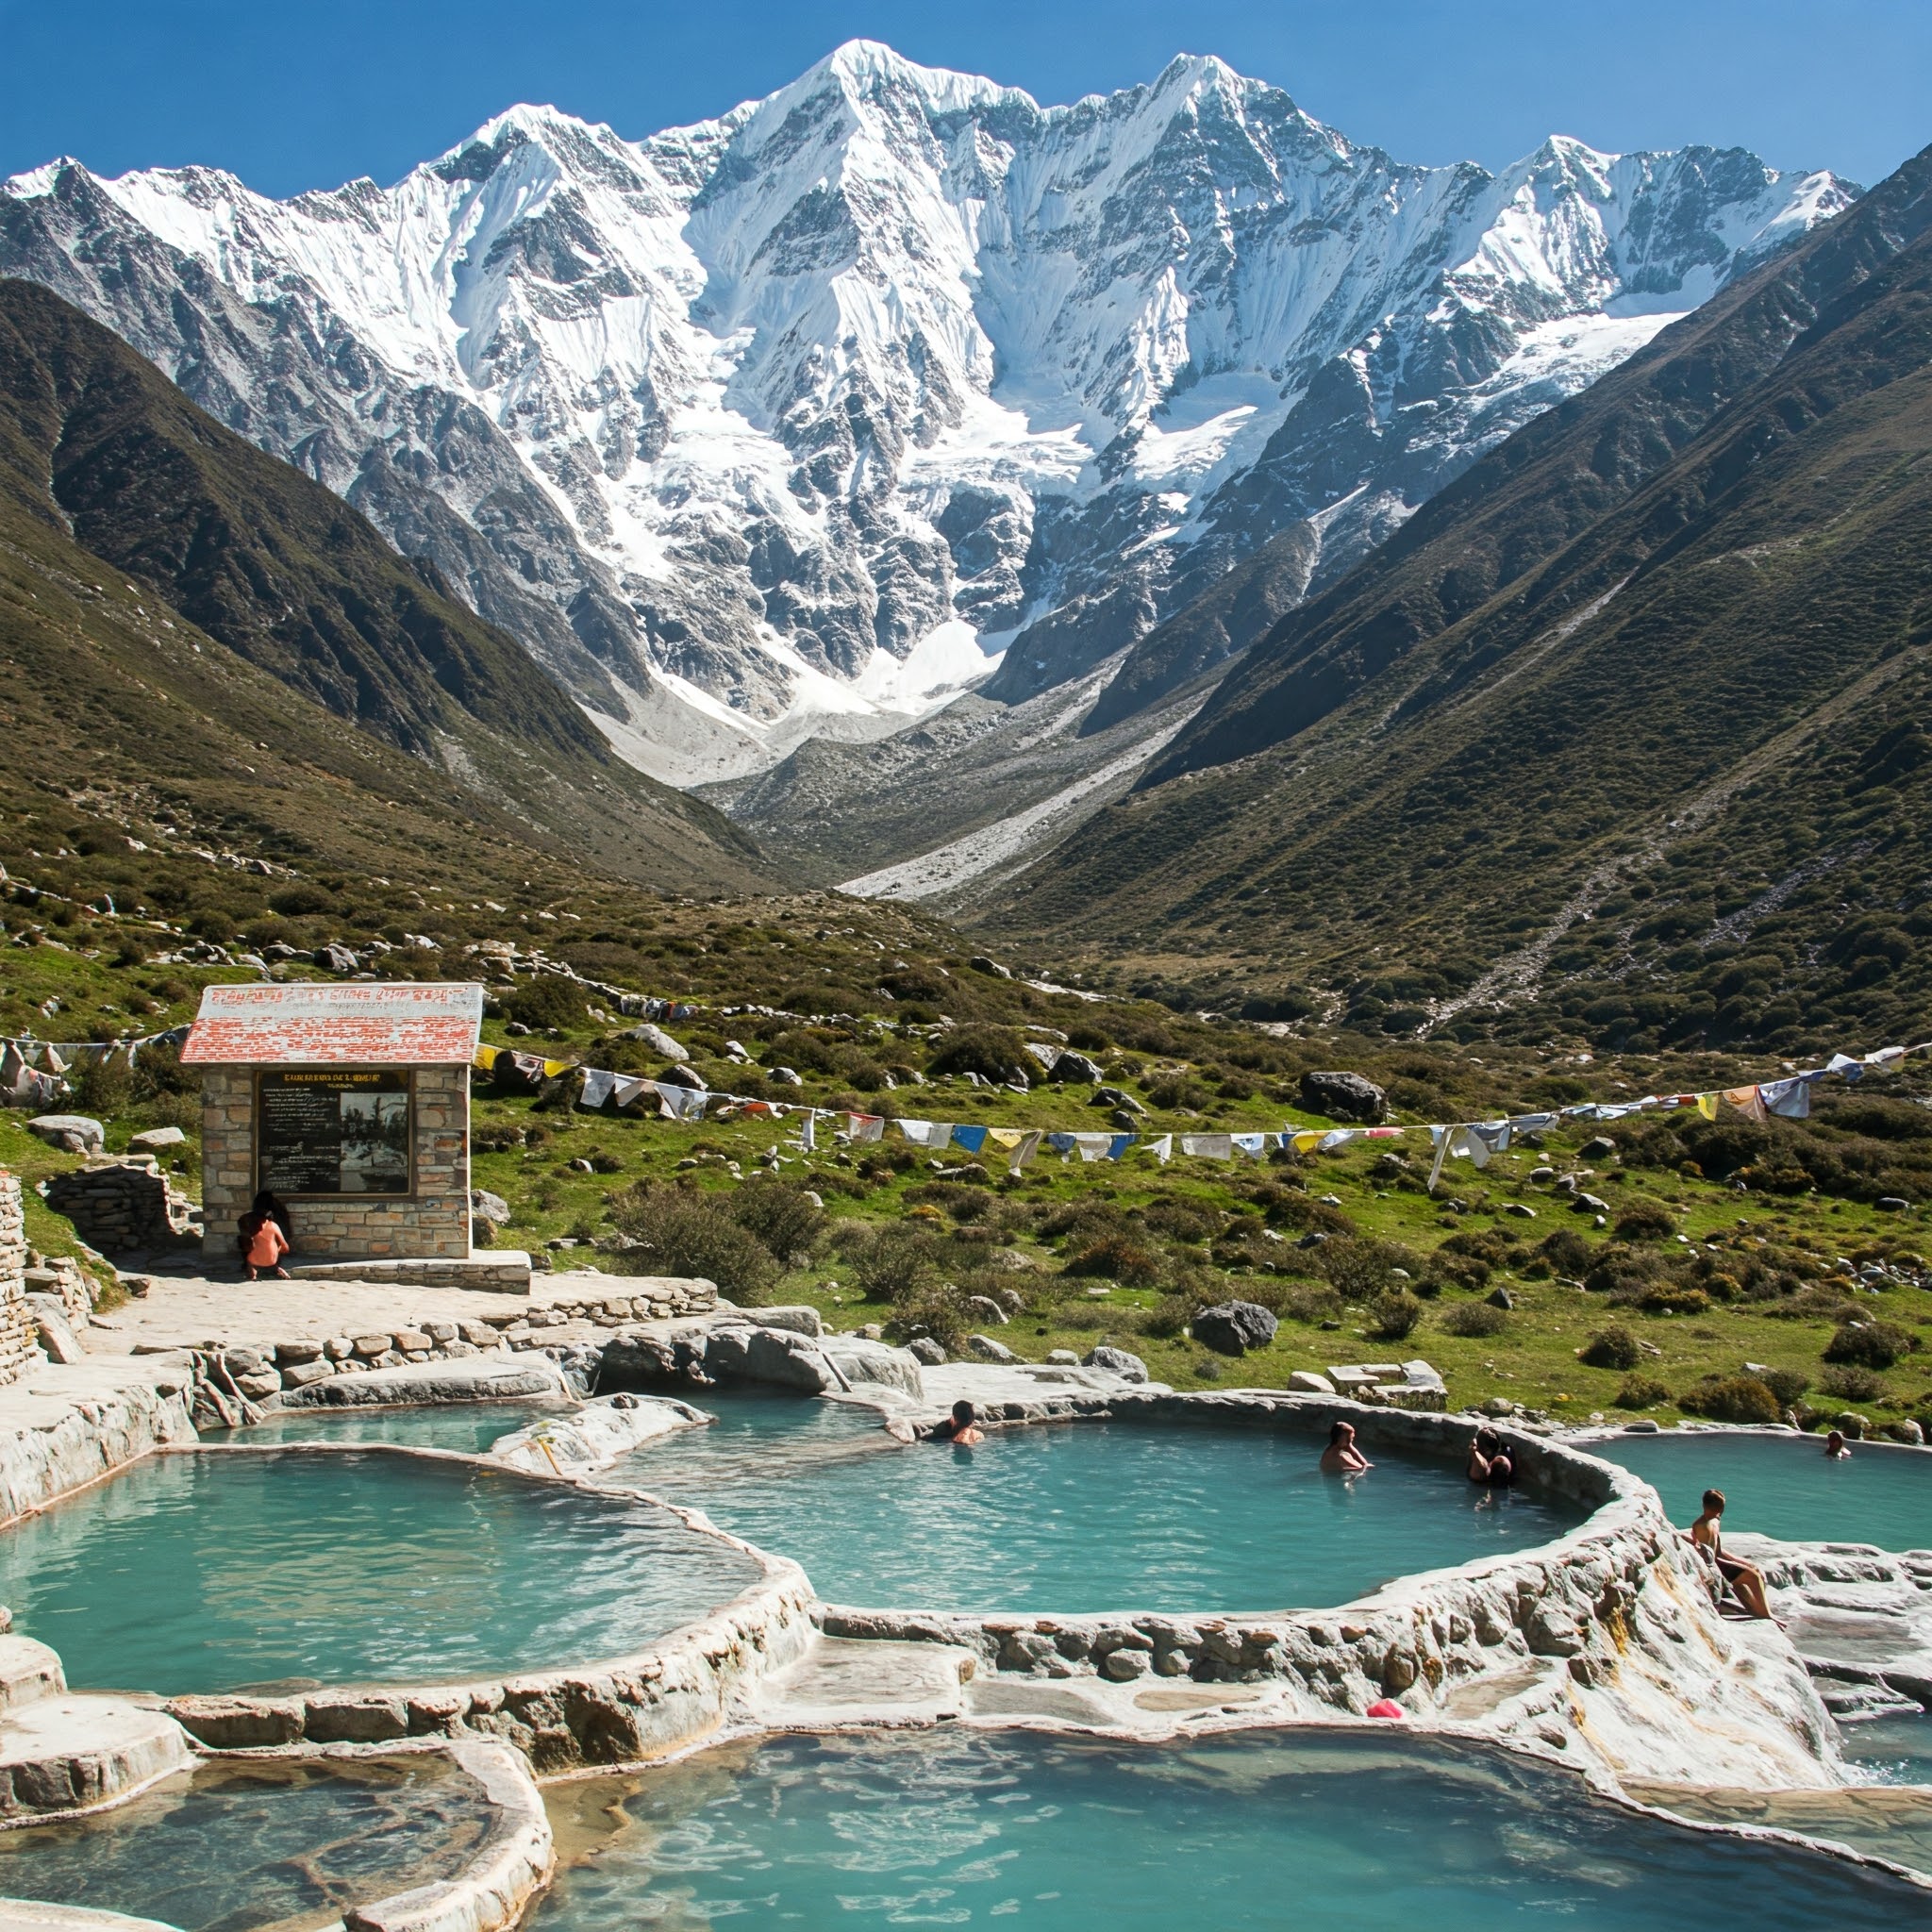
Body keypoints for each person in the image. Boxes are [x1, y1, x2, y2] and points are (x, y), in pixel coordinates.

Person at [1688, 1488, 1775, 1622]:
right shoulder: (1706, 1526)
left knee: (1746, 1575)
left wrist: (1742, 1561)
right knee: (1754, 1576)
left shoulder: (1708, 1521)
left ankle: (1754, 1609)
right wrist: (1736, 1564)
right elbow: (1711, 1556)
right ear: (1719, 1508)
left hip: (1716, 1562)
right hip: (1714, 1567)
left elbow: (1718, 1550)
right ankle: (1767, 1614)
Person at [238, 1190, 292, 1282]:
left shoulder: (246, 1219)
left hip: (254, 1255)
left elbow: (247, 1242)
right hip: (274, 1256)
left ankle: (253, 1266)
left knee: (245, 1240)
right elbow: (285, 1245)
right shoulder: (277, 1218)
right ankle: (272, 1266)